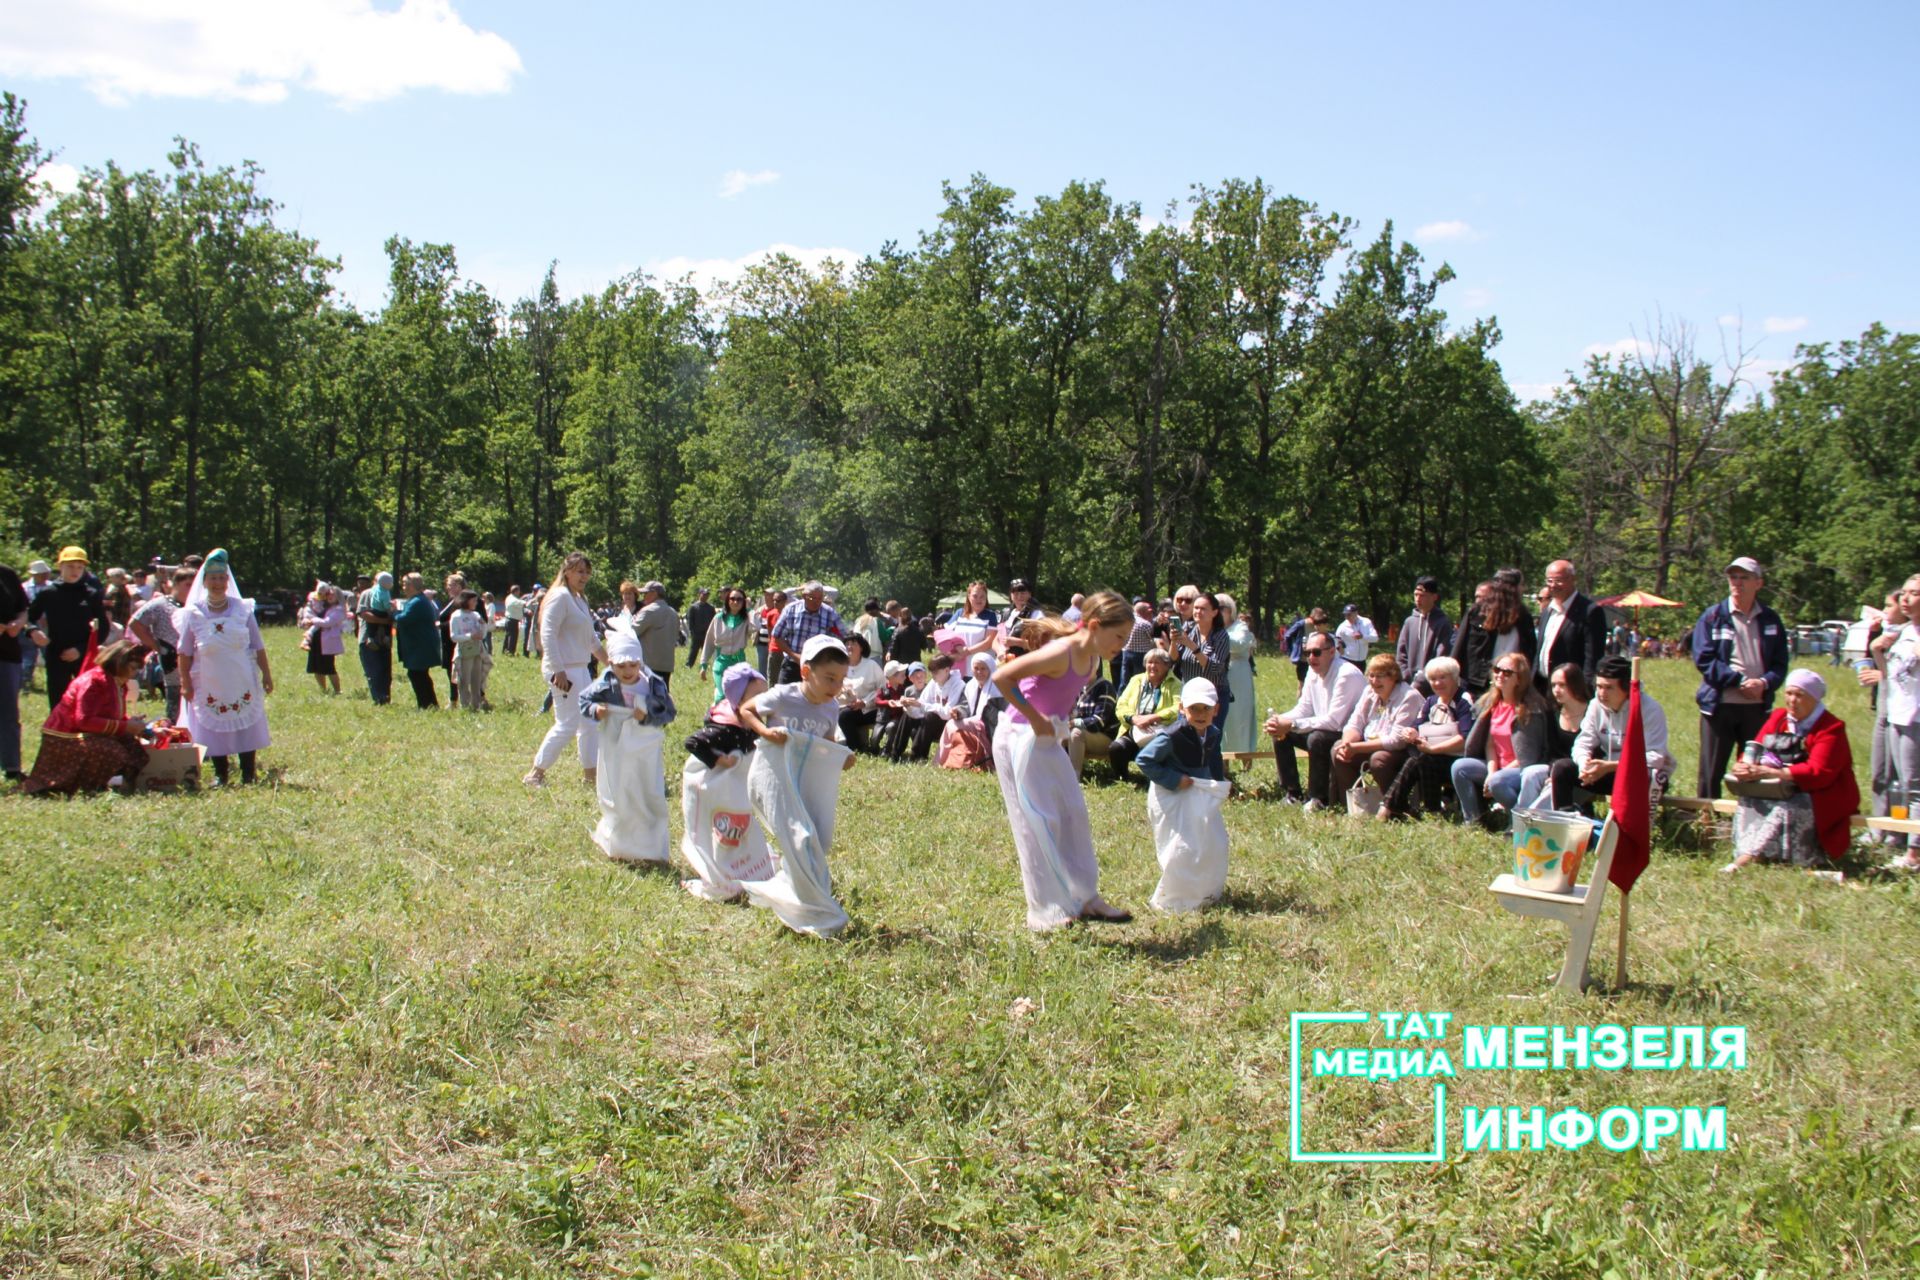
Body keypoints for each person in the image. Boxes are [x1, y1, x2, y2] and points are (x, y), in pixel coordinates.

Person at [990, 591, 1135, 929]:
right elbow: (1002, 678)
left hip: (1046, 738)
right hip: (1017, 738)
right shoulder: (1061, 652)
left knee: (1073, 812)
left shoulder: (1092, 662)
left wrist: (1057, 722)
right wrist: (1034, 717)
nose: (1122, 646)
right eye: (1119, 637)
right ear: (1095, 625)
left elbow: (1058, 695)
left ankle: (1086, 896)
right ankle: (1047, 911)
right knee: (1037, 822)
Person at [735, 632, 859, 938]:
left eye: (842, 679)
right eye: (830, 678)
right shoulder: (784, 695)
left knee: (817, 839)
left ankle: (790, 891)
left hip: (801, 781)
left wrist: (841, 758)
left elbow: (825, 745)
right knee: (800, 837)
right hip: (773, 777)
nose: (836, 687)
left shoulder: (831, 708)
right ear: (806, 671)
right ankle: (819, 912)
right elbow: (746, 710)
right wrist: (766, 732)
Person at [1723, 670, 1861, 872]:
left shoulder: (1831, 728)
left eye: (1799, 695)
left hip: (1823, 793)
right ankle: (1751, 852)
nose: (1792, 700)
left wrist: (1772, 773)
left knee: (1787, 807)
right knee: (1749, 800)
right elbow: (1756, 747)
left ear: (1814, 699)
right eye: (1789, 693)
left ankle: (1749, 858)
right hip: (1781, 786)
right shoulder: (1779, 717)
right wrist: (1744, 765)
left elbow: (1819, 772)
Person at [1691, 557, 1790, 799]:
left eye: (1744, 577)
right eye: (1733, 577)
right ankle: (1706, 823)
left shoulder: (1770, 619)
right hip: (1719, 705)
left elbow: (1780, 663)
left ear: (1759, 583)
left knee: (1755, 769)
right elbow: (1703, 658)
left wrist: (1764, 683)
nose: (1737, 582)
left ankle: (1753, 819)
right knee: (1711, 770)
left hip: (1756, 707)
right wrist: (1738, 681)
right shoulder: (1713, 616)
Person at [176, 549, 273, 787]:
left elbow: (258, 645)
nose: (218, 583)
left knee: (246, 722)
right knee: (214, 725)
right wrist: (185, 682)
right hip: (209, 679)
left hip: (241, 676)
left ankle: (248, 773)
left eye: (221, 578)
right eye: (213, 578)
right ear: (205, 581)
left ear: (227, 581)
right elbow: (184, 652)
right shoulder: (194, 614)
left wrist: (267, 675)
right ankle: (221, 774)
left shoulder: (243, 609)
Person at [580, 629, 677, 863]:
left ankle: (650, 843)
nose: (627, 672)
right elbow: (584, 700)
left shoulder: (653, 684)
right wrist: (596, 710)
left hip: (645, 745)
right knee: (618, 788)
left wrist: (647, 717)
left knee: (647, 789)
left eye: (632, 665)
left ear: (639, 663)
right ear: (611, 663)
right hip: (615, 744)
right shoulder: (606, 682)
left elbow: (669, 712)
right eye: (620, 667)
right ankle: (619, 840)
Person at [1140, 677, 1231, 914]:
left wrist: (1218, 785)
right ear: (1182, 708)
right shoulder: (1171, 736)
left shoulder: (1213, 732)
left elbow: (1213, 758)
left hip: (1197, 794)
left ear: (1216, 709)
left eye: (1206, 709)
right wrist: (1174, 779)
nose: (1200, 714)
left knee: (1212, 842)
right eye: (1194, 709)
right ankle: (1175, 896)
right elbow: (1145, 760)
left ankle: (1205, 890)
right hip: (1171, 796)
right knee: (1181, 848)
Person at [19, 639, 151, 794]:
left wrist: (130, 724)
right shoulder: (93, 682)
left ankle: (122, 785)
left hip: (89, 733)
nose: (134, 673)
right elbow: (84, 720)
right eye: (133, 668)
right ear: (118, 662)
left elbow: (110, 715)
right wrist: (125, 726)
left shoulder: (117, 682)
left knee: (133, 746)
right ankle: (87, 788)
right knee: (112, 751)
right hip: (65, 738)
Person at [1550, 656, 1674, 813]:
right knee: (1562, 768)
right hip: (1607, 772)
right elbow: (1583, 742)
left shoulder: (1649, 709)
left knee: (1645, 778)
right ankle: (1566, 824)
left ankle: (1626, 832)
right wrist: (1584, 765)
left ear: (1625, 688)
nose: (1602, 693)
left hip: (1642, 775)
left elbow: (1655, 758)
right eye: (1599, 687)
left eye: (1608, 688)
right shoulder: (1595, 705)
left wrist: (1610, 767)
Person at [526, 553, 607, 788]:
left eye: (587, 572)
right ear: (567, 571)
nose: (584, 576)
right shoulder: (559, 597)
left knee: (589, 724)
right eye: (580, 571)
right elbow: (548, 633)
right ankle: (535, 773)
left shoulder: (580, 599)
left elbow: (591, 638)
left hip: (581, 669)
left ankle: (590, 776)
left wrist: (609, 661)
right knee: (567, 724)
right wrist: (557, 669)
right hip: (564, 671)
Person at [1264, 632, 1366, 810]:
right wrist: (1281, 721)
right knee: (1281, 734)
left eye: (1317, 652)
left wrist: (1293, 724)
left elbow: (1334, 721)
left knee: (1316, 739)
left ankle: (1319, 798)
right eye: (1307, 653)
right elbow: (1304, 708)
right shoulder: (1312, 671)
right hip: (1324, 728)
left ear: (1332, 651)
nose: (1311, 658)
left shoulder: (1346, 675)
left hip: (1349, 735)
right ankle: (1293, 793)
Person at [1450, 652, 1547, 825]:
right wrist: (1492, 772)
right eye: (1497, 670)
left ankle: (1519, 819)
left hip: (1521, 770)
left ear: (1520, 679)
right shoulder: (1492, 703)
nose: (1500, 675)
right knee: (1460, 767)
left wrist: (1497, 776)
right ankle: (1473, 821)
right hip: (1498, 768)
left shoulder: (1531, 709)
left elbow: (1527, 756)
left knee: (1498, 781)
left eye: (1507, 672)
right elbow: (1490, 745)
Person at [1380, 656, 1475, 820]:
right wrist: (1410, 732)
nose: (1437, 683)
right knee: (1420, 760)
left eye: (1442, 678)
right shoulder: (1431, 701)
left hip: (1458, 760)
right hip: (1432, 757)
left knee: (1420, 760)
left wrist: (1433, 749)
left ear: (1454, 677)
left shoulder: (1464, 701)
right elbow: (1417, 724)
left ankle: (1391, 807)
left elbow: (1466, 738)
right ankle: (1428, 811)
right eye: (1433, 679)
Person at [1329, 655, 1425, 809]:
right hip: (1372, 743)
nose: (1374, 681)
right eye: (1371, 676)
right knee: (1338, 749)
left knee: (1378, 760)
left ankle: (1395, 807)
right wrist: (1347, 744)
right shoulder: (1369, 692)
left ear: (1393, 676)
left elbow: (1396, 741)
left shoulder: (1408, 697)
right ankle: (1355, 806)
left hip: (1405, 752)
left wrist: (1356, 748)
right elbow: (1355, 723)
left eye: (1380, 676)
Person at [25, 546, 108, 709]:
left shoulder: (91, 594)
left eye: (80, 567)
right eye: (70, 566)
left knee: (85, 700)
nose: (75, 571)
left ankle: (84, 733)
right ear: (60, 566)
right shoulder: (48, 593)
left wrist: (81, 649)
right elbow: (29, 617)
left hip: (84, 654)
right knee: (58, 701)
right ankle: (56, 733)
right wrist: (33, 631)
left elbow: (103, 627)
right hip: (56, 652)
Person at [1879, 576, 1920, 868]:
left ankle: (1914, 853)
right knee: (1901, 784)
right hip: (1897, 711)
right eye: (1904, 593)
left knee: (1914, 784)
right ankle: (1901, 839)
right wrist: (1876, 650)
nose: (1905, 599)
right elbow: (1889, 675)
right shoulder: (1905, 632)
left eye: (1914, 594)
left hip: (1916, 716)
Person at [1523, 662, 1591, 812]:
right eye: (1553, 685)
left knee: (1554, 785)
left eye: (1562, 685)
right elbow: (1551, 752)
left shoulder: (1592, 712)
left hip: (1584, 772)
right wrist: (1553, 771)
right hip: (1556, 767)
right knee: (1530, 773)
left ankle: (1529, 821)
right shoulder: (1552, 713)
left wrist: (1557, 776)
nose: (1556, 690)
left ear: (1575, 684)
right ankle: (1518, 817)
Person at [1452, 578, 1536, 699]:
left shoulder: (1523, 617)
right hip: (1478, 683)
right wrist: (1453, 676)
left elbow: (1530, 652)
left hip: (1510, 683)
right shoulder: (1477, 612)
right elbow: (1459, 646)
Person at [129, 566, 194, 723]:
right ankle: (174, 738)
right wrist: (156, 645)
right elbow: (135, 623)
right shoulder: (159, 604)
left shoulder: (197, 605)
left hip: (197, 660)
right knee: (175, 704)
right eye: (188, 584)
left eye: (194, 585)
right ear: (176, 584)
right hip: (172, 659)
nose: (191, 589)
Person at [1107, 648, 1182, 782]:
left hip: (1160, 730)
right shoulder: (1136, 680)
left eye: (1157, 663)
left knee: (1161, 748)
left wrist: (1154, 717)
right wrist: (1133, 719)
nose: (1152, 666)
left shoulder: (1175, 684)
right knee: (1116, 748)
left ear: (1167, 665)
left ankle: (1156, 779)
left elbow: (1178, 708)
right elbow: (1121, 704)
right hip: (1134, 728)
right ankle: (1122, 779)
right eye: (1149, 662)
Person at [1535, 560, 1607, 693]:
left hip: (1571, 690)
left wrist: (1585, 691)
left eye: (1558, 580)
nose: (1553, 585)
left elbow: (1593, 657)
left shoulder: (1590, 611)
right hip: (1542, 688)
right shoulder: (1547, 611)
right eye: (1549, 581)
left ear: (1573, 579)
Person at [770, 583, 844, 685]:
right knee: (783, 698)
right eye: (813, 598)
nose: (816, 602)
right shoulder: (791, 610)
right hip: (791, 664)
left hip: (817, 668)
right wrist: (795, 656)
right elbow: (777, 635)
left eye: (820, 598)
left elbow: (844, 635)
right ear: (804, 596)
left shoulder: (829, 613)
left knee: (814, 700)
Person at [935, 654, 1000, 768]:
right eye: (976, 668)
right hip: (974, 722)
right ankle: (942, 759)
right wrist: (958, 712)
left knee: (953, 725)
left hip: (989, 725)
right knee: (951, 724)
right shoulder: (971, 685)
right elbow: (965, 705)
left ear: (990, 669)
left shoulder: (998, 687)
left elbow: (995, 714)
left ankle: (941, 759)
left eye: (983, 669)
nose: (979, 672)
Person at [1395, 577, 1455, 697]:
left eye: (1423, 595)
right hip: (1407, 685)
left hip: (1432, 686)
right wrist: (1405, 676)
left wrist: (1421, 681)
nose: (1418, 599)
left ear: (1434, 597)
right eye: (1416, 595)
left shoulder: (1443, 623)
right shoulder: (1410, 622)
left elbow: (1441, 656)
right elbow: (1401, 655)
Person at [394, 574, 442, 709]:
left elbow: (404, 618)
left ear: (412, 585)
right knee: (419, 674)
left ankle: (426, 705)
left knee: (417, 674)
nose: (403, 587)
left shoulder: (417, 602)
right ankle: (429, 704)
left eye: (405, 584)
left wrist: (393, 613)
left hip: (420, 645)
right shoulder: (417, 600)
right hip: (419, 644)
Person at [699, 587, 754, 704]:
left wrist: (750, 609)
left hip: (739, 662)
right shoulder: (718, 618)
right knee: (723, 694)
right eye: (732, 599)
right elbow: (709, 641)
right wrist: (703, 664)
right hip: (721, 662)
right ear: (727, 601)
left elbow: (756, 627)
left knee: (738, 697)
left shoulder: (746, 619)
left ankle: (734, 721)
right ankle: (714, 718)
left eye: (739, 599)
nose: (735, 602)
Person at [1063, 664, 1119, 778]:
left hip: (1106, 738)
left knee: (1076, 733)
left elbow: (1098, 722)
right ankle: (1057, 773)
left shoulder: (1105, 687)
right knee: (1056, 732)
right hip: (1087, 734)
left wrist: (1073, 723)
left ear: (1096, 668)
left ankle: (1074, 777)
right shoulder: (1078, 687)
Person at [0, 566, 27, 781]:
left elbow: (22, 607)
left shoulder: (7, 574)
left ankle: (12, 766)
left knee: (9, 712)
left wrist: (19, 622)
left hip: (7, 653)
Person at [835, 634, 885, 751]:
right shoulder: (840, 666)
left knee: (845, 716)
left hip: (870, 709)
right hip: (844, 707)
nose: (849, 647)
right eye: (847, 644)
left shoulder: (871, 665)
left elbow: (882, 689)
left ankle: (855, 748)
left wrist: (864, 702)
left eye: (853, 643)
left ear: (861, 647)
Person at [356, 572, 396, 705]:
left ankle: (385, 698)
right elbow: (364, 614)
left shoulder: (387, 594)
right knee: (374, 671)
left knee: (386, 672)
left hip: (385, 640)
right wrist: (385, 621)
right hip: (368, 639)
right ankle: (379, 700)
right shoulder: (367, 593)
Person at [301, 582, 346, 695]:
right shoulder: (323, 606)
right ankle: (323, 690)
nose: (330, 596)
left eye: (333, 594)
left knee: (329, 667)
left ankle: (337, 690)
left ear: (338, 596)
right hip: (316, 639)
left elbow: (327, 623)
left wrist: (312, 620)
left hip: (327, 641)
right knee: (316, 666)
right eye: (328, 594)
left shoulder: (339, 609)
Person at [449, 590, 490, 712]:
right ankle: (465, 705)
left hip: (477, 650)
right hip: (464, 651)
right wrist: (469, 636)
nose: (476, 603)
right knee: (464, 679)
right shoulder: (456, 616)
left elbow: (483, 634)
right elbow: (453, 637)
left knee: (476, 679)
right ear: (466, 601)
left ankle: (476, 704)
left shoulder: (475, 615)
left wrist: (483, 626)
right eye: (474, 601)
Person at [945, 582, 1000, 662]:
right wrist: (957, 647)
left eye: (982, 597)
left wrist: (966, 652)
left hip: (981, 666)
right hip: (959, 665)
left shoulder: (991, 616)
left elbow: (989, 642)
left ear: (986, 598)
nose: (979, 599)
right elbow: (945, 634)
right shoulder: (959, 613)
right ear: (969, 596)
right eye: (975, 596)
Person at [19, 559, 51, 690]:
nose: (45, 576)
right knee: (28, 655)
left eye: (46, 573)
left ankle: (52, 681)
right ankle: (25, 683)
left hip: (48, 626)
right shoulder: (24, 588)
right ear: (34, 575)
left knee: (49, 655)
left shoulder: (51, 586)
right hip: (28, 626)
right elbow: (21, 607)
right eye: (41, 573)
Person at [682, 587, 715, 670]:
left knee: (706, 651)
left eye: (707, 595)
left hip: (707, 634)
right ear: (699, 594)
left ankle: (705, 666)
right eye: (704, 594)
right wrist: (692, 632)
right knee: (693, 651)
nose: (705, 596)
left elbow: (714, 621)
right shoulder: (693, 607)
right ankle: (688, 665)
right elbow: (690, 621)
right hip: (696, 634)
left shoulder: (710, 608)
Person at [886, 603, 925, 667]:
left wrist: (890, 654)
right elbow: (924, 645)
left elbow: (894, 648)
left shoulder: (898, 631)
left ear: (900, 617)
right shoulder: (918, 630)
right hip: (915, 662)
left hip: (902, 663)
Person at [502, 585, 525, 656]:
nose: (519, 592)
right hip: (512, 620)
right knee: (513, 637)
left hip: (509, 619)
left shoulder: (509, 597)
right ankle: (510, 651)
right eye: (518, 590)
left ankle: (505, 650)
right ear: (516, 591)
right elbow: (522, 603)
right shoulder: (513, 599)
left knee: (508, 636)